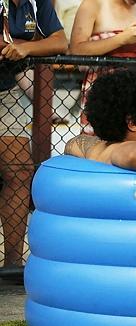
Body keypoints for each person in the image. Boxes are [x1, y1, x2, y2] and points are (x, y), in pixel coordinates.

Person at [0, 0, 67, 268]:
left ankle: (13, 262)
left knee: (19, 171)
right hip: (12, 86)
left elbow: (61, 41)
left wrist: (25, 47)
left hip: (7, 92)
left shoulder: (38, 2)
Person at [70, 0, 136, 134]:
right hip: (103, 88)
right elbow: (76, 49)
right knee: (100, 142)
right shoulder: (93, 4)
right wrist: (122, 39)